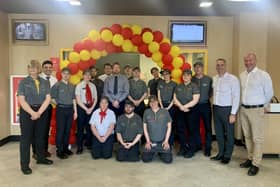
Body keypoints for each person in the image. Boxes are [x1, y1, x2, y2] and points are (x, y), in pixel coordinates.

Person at [239, 53, 273, 176]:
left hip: (256, 110)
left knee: (257, 138)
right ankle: (250, 158)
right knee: (247, 136)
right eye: (246, 60)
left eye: (250, 60)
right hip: (243, 109)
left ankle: (256, 164)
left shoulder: (263, 75)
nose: (248, 62)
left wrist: (265, 106)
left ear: (255, 60)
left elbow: (269, 92)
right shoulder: (242, 75)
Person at [17, 60, 53, 175]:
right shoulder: (23, 82)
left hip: (41, 111)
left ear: (38, 69)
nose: (32, 69)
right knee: (26, 139)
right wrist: (33, 113)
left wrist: (39, 113)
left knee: (40, 137)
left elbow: (48, 98)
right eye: (30, 67)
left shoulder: (45, 82)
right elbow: (21, 100)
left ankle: (41, 158)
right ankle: (24, 165)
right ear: (28, 69)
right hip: (27, 112)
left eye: (34, 67)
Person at [211, 58, 240, 164]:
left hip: (227, 109)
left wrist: (233, 113)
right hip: (216, 108)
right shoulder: (214, 78)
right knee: (218, 133)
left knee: (229, 133)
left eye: (222, 65)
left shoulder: (233, 79)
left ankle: (227, 155)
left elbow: (236, 96)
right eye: (218, 65)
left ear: (225, 66)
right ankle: (220, 153)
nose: (219, 67)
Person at [32, 60, 57, 159]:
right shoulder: (37, 77)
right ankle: (35, 151)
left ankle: (44, 150)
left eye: (50, 67)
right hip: (37, 106)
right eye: (46, 67)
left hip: (48, 107)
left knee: (46, 129)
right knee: (36, 130)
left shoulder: (54, 80)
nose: (48, 69)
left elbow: (54, 95)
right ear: (42, 68)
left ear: (52, 68)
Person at [51, 68, 77, 159]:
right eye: (64, 73)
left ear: (70, 75)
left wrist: (75, 112)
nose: (66, 75)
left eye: (68, 74)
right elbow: (52, 98)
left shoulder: (72, 86)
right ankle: (60, 150)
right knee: (60, 131)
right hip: (61, 110)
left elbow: (74, 99)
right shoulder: (57, 85)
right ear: (61, 74)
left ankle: (66, 148)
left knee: (67, 130)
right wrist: (59, 104)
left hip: (70, 110)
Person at [174, 69, 200, 158]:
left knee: (191, 130)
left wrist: (185, 107)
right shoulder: (178, 86)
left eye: (187, 75)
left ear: (190, 76)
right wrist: (181, 107)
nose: (185, 76)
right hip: (180, 110)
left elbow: (195, 99)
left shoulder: (194, 86)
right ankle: (183, 148)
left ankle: (191, 149)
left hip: (191, 111)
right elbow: (175, 98)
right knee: (181, 130)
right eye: (184, 75)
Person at [142, 95, 173, 164]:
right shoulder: (146, 112)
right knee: (145, 159)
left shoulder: (165, 111)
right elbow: (145, 128)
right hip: (151, 142)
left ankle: (159, 152)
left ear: (158, 101)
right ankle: (155, 151)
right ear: (149, 103)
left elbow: (169, 127)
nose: (153, 103)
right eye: (151, 102)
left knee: (168, 160)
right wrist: (147, 141)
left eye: (154, 101)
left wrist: (166, 141)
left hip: (162, 141)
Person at [192, 62, 213, 157]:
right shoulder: (192, 79)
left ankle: (208, 148)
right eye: (195, 67)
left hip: (205, 105)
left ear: (202, 68)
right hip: (194, 106)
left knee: (208, 127)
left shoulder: (208, 79)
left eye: (199, 67)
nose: (197, 69)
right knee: (195, 126)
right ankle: (198, 145)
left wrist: (204, 98)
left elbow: (211, 92)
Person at [75, 69, 98, 154]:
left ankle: (89, 143)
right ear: (83, 76)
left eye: (89, 75)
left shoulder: (93, 86)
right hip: (82, 107)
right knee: (80, 128)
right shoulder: (79, 86)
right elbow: (78, 99)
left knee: (90, 127)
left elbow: (95, 98)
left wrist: (91, 108)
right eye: (86, 75)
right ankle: (79, 146)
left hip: (91, 107)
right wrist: (86, 109)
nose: (88, 77)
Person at [157, 69, 177, 145]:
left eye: (167, 74)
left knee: (170, 124)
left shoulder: (174, 84)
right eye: (164, 74)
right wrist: (161, 106)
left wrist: (168, 108)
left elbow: (174, 97)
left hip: (171, 106)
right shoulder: (160, 83)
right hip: (161, 105)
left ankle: (169, 142)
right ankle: (161, 142)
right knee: (161, 124)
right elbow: (158, 95)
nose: (165, 76)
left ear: (170, 75)